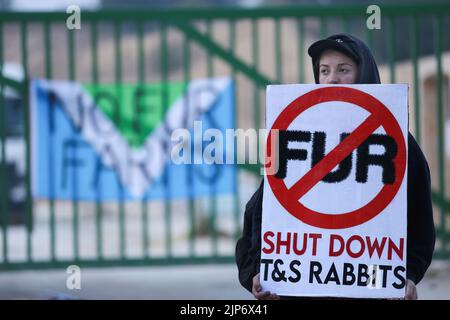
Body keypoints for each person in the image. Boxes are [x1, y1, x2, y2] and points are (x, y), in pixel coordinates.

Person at [235, 33, 436, 300]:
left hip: (370, 288)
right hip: (301, 290)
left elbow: (419, 221)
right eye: (324, 70)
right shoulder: (293, 136)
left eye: (344, 70)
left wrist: (408, 275)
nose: (332, 79)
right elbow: (261, 214)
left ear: (364, 73)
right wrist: (255, 273)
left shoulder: (398, 142)